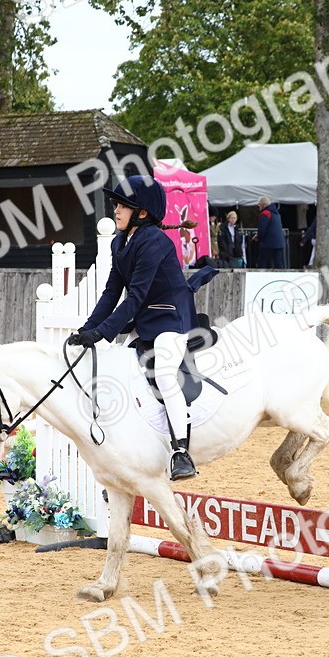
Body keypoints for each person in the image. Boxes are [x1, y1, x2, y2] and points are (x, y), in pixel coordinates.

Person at [67, 174, 206, 480]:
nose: (115, 210)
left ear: (142, 213)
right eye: (115, 204)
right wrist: (86, 329)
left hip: (171, 318)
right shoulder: (120, 241)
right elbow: (111, 292)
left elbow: (136, 296)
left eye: (122, 206)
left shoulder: (155, 241)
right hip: (144, 318)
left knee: (165, 375)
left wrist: (101, 333)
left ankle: (181, 452)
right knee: (120, 369)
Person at [253, 196, 285, 268]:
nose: (258, 207)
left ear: (263, 205)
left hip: (268, 242)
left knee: (262, 263)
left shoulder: (265, 213)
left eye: (259, 205)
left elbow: (262, 229)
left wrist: (258, 237)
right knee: (278, 263)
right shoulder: (277, 213)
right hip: (279, 242)